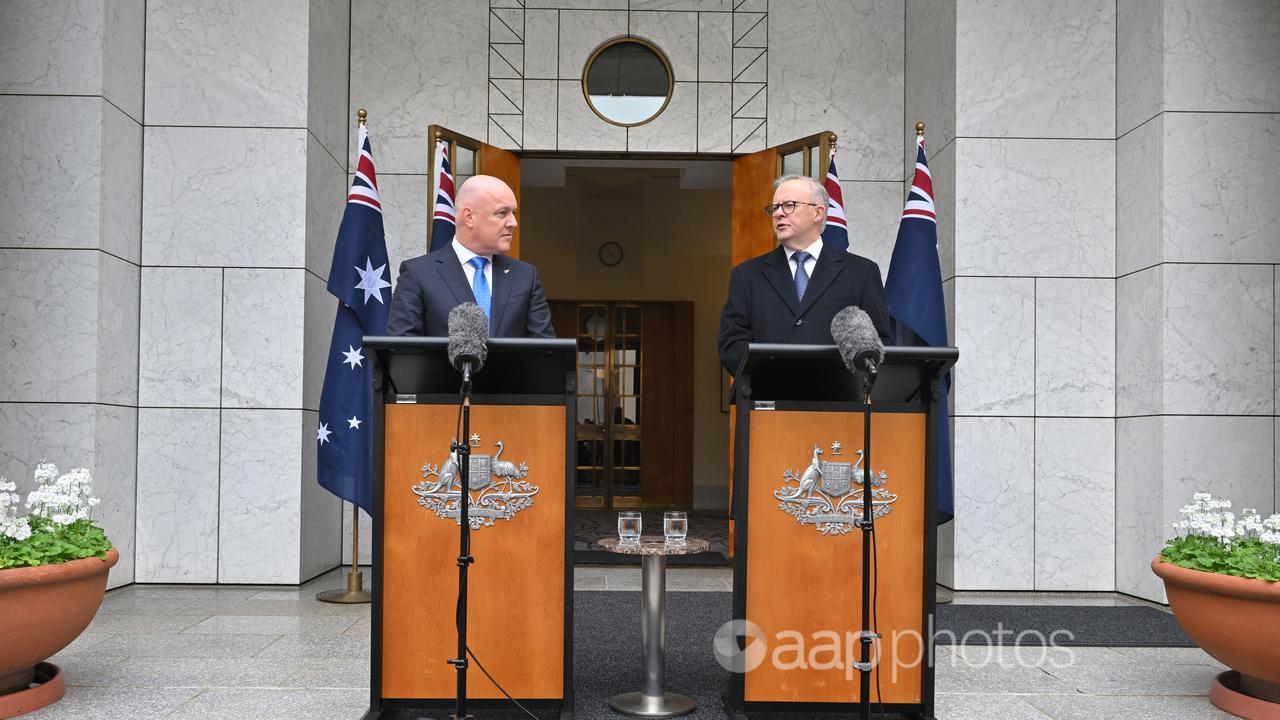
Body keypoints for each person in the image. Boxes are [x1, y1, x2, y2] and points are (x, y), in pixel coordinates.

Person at [717, 174, 890, 375]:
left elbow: (880, 343)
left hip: (841, 399)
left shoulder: (862, 272)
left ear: (818, 212)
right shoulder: (747, 276)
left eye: (789, 205)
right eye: (775, 208)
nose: (779, 214)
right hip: (770, 398)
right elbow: (731, 345)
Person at [387, 175, 554, 337]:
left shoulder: (525, 276)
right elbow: (404, 351)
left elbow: (545, 351)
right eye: (502, 213)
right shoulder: (419, 274)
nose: (513, 223)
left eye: (514, 213)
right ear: (469, 217)